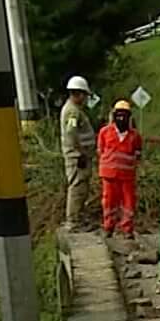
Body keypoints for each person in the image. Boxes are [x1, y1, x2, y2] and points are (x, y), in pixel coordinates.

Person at [97, 100, 144, 237]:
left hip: (127, 176)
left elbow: (138, 153)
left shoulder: (135, 135)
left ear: (129, 117)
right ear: (114, 116)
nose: (121, 118)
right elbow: (100, 150)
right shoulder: (104, 132)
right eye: (118, 115)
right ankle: (108, 227)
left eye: (124, 115)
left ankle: (127, 229)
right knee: (109, 202)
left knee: (128, 203)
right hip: (109, 174)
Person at [60, 76, 97, 230]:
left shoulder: (74, 110)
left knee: (82, 188)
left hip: (81, 155)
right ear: (79, 94)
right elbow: (71, 134)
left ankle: (78, 218)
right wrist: (80, 152)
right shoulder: (72, 112)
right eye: (85, 95)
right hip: (77, 157)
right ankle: (73, 221)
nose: (85, 99)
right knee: (77, 187)